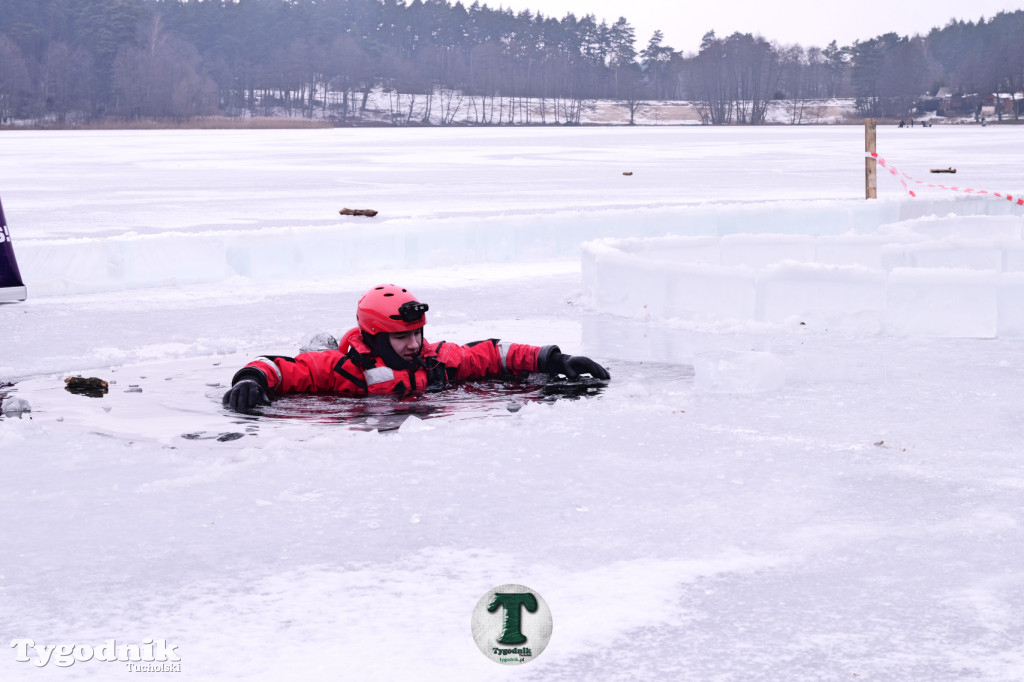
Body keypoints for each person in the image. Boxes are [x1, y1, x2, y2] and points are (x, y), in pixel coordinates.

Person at [222, 284, 610, 412]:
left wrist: (553, 357)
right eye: (401, 337)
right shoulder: (343, 369)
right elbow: (281, 367)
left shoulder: (436, 359)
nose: (413, 345)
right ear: (375, 337)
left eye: (417, 334)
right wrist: (251, 380)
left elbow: (494, 353)